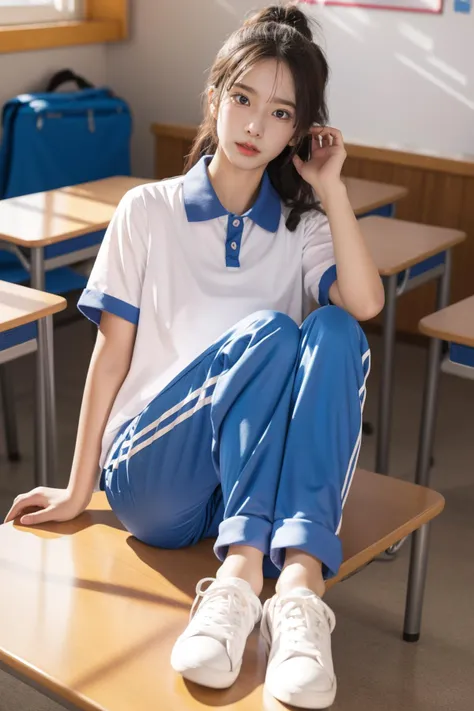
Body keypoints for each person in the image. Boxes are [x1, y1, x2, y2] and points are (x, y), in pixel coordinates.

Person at [5, 4, 384, 709]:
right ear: (213, 97)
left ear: (300, 131)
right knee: (271, 333)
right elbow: (110, 358)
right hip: (154, 476)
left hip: (241, 485)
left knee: (335, 332)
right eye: (241, 99)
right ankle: (241, 576)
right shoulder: (147, 211)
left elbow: (364, 304)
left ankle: (296, 593)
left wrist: (330, 190)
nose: (253, 126)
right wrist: (77, 486)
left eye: (278, 114)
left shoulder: (302, 227)